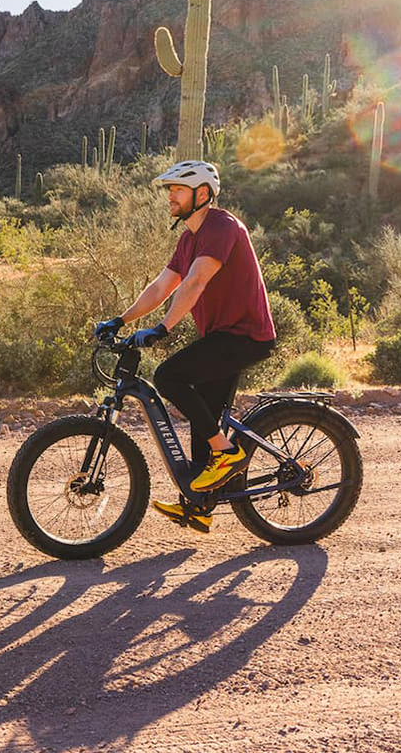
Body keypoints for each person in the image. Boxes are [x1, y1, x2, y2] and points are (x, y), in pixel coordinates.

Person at [93, 160, 277, 528]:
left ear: (203, 194)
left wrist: (162, 329)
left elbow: (195, 282)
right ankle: (199, 504)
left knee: (169, 377)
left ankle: (228, 454)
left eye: (177, 189)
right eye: (170, 190)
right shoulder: (189, 237)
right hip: (220, 336)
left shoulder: (221, 227)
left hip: (245, 335)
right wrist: (122, 320)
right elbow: (162, 286)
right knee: (203, 417)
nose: (170, 197)